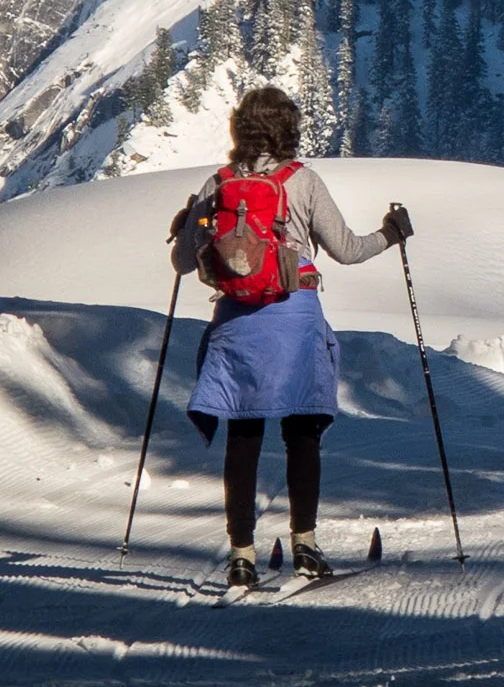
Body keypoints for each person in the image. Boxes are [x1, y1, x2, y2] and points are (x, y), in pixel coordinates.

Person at [167, 85, 412, 588]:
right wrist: (392, 233)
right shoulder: (303, 182)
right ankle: (305, 546)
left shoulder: (219, 183)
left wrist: (184, 226)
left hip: (236, 320)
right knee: (301, 431)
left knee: (244, 430)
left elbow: (182, 263)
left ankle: (241, 555)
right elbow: (346, 250)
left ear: (240, 129)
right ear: (289, 130)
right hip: (294, 313)